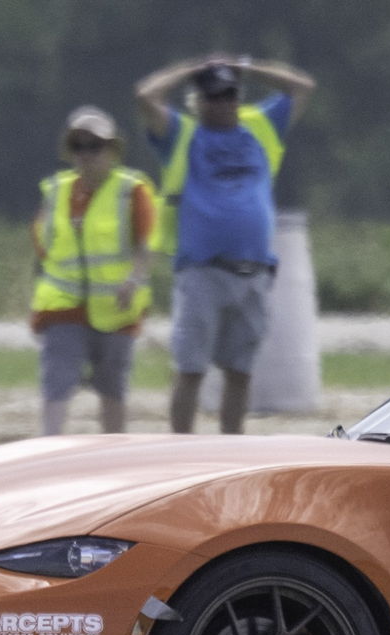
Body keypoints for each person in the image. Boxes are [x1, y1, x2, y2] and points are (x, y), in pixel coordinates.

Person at [135, 53, 315, 434]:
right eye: (213, 96)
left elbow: (302, 87)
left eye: (229, 94)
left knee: (240, 371)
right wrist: (191, 68)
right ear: (198, 102)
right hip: (203, 269)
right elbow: (146, 96)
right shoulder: (183, 135)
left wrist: (245, 67)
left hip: (254, 270)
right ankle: (182, 449)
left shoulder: (261, 126)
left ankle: (232, 446)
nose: (223, 103)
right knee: (190, 369)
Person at [29, 105, 156, 436]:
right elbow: (42, 244)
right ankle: (50, 450)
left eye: (94, 146)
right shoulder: (55, 191)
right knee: (57, 386)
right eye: (78, 146)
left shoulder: (132, 190)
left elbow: (147, 244)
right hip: (63, 308)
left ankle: (114, 452)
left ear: (112, 149)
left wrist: (133, 279)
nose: (86, 154)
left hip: (115, 308)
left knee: (113, 389)